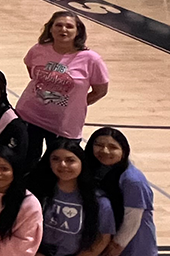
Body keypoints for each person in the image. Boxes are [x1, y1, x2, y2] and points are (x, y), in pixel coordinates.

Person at [23, 139, 115, 256]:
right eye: (56, 159)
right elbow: (22, 227)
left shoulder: (97, 200)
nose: (62, 165)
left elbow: (103, 238)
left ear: (81, 163)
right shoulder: (38, 191)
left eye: (70, 160)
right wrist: (33, 254)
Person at [85, 128, 170, 256]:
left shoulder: (132, 180)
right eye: (99, 145)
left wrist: (118, 244)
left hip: (133, 240)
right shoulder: (93, 169)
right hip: (105, 234)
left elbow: (132, 220)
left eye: (113, 147)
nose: (105, 151)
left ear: (124, 151)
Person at [16, 11, 110, 155]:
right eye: (58, 25)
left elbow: (100, 91)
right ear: (50, 28)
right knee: (26, 162)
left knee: (60, 164)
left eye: (69, 26)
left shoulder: (91, 59)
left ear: (78, 31)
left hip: (65, 125)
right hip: (29, 116)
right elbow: (32, 72)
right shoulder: (38, 49)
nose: (63, 29)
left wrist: (76, 103)